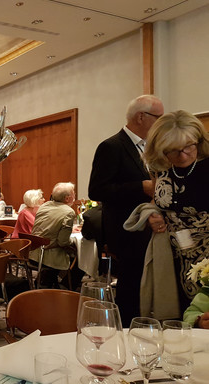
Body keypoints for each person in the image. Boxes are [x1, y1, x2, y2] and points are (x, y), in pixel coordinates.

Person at [88, 94, 164, 325]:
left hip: (152, 228)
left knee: (149, 286)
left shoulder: (153, 148)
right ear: (141, 117)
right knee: (131, 289)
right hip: (127, 231)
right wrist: (141, 187)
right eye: (159, 117)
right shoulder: (112, 146)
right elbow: (97, 190)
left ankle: (147, 327)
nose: (161, 123)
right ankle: (128, 332)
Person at [143, 110, 209, 311]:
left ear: (198, 140)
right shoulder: (159, 167)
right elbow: (158, 201)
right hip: (175, 254)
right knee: (180, 312)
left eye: (188, 146)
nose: (182, 155)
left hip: (206, 255)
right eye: (172, 150)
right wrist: (153, 214)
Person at [29, 182, 76, 288]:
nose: (75, 195)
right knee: (79, 254)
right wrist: (74, 242)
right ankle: (65, 287)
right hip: (49, 257)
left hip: (33, 253)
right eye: (73, 193)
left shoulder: (44, 206)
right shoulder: (69, 212)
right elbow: (63, 242)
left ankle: (50, 282)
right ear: (67, 198)